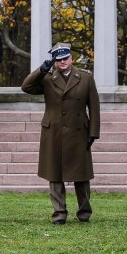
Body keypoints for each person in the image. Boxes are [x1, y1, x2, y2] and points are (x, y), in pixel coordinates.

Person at [21, 43, 100, 225]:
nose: (62, 62)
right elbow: (26, 87)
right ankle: (59, 213)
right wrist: (40, 70)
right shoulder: (47, 77)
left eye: (65, 58)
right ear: (54, 62)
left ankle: (84, 212)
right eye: (58, 59)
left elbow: (94, 107)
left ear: (71, 58)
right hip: (53, 131)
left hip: (79, 131)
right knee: (54, 174)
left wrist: (94, 132)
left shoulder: (86, 77)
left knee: (82, 175)